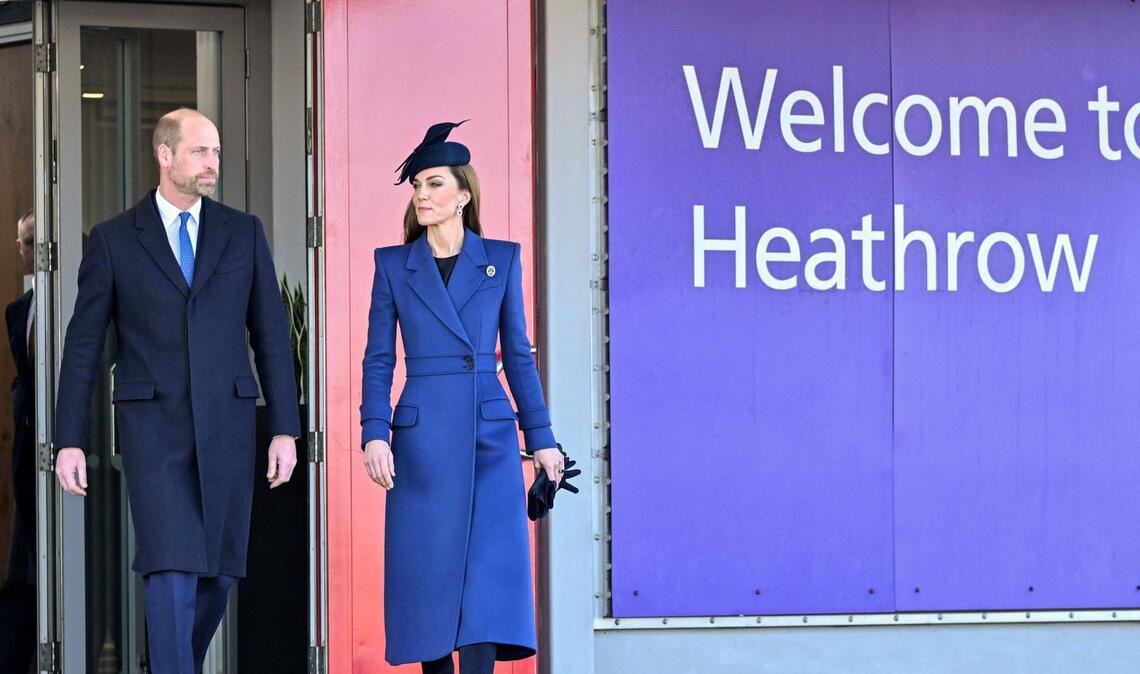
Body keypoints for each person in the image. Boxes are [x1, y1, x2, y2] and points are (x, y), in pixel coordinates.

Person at [54, 108, 300, 674]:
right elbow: (84, 344)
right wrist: (69, 438)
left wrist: (284, 427)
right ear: (165, 155)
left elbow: (270, 336)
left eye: (215, 152)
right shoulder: (114, 240)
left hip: (229, 426)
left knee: (219, 572)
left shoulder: (244, 232)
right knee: (170, 567)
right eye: (200, 152)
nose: (212, 163)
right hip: (154, 432)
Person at [360, 121, 564, 673]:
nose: (422, 196)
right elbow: (379, 359)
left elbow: (518, 356)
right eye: (417, 186)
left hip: (489, 436)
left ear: (462, 195)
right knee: (429, 579)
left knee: (486, 584)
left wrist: (542, 441)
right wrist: (374, 434)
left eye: (434, 185)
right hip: (421, 442)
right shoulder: (393, 265)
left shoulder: (500, 259)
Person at [0, 208, 37, 672]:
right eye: (26, 242)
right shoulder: (16, 311)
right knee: (22, 568)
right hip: (27, 453)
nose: (31, 250)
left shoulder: (78, 302)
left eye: (37, 240)